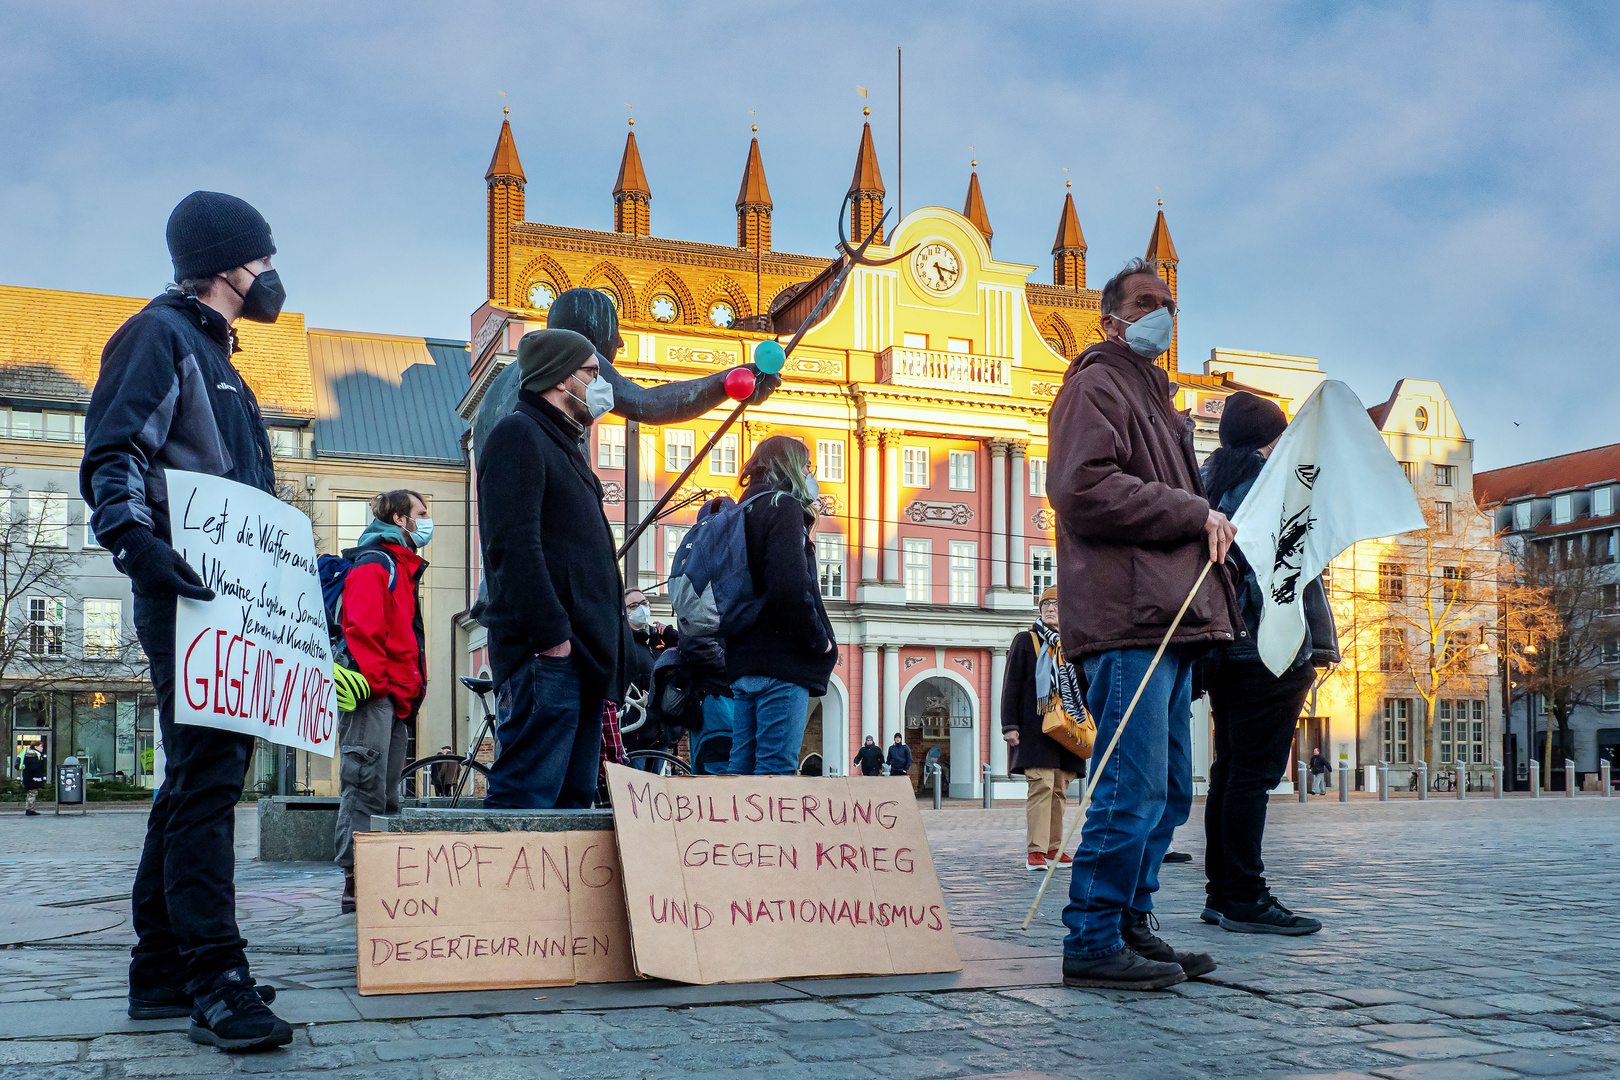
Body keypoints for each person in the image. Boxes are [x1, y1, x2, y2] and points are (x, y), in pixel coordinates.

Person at [81, 191, 290, 1047]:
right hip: (188, 593)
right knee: (206, 782)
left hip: (229, 597)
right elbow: (115, 446)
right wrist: (133, 540)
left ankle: (163, 969)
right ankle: (217, 975)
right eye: (265, 258)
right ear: (230, 264)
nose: (274, 274)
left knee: (192, 780)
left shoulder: (220, 360)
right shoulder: (160, 336)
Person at [1046, 258, 1240, 992]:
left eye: (1168, 302)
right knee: (1130, 787)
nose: (1161, 313)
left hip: (1168, 616)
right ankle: (1092, 937)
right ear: (1112, 320)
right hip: (1129, 620)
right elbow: (1082, 487)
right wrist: (1194, 511)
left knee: (1165, 792)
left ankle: (1130, 922)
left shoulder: (1156, 399)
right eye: (1145, 303)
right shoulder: (1097, 382)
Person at [1199, 393, 1334, 936]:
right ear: (1271, 440)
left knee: (1229, 773)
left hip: (1230, 650)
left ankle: (1221, 892)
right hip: (1268, 651)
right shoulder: (1272, 487)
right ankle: (1245, 896)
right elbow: (1279, 576)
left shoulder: (1218, 484)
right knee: (1252, 778)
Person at [478, 329, 623, 809]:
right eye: (593, 373)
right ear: (563, 377)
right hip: (549, 657)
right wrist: (551, 638)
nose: (601, 384)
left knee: (570, 804)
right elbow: (512, 546)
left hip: (575, 655)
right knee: (526, 799)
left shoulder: (560, 443)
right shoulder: (519, 434)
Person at [332, 490, 430, 914]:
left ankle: (375, 874)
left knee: (386, 789)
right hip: (374, 694)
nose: (427, 523)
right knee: (364, 785)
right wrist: (379, 685)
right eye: (421, 514)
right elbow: (363, 627)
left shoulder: (399, 566)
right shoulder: (377, 562)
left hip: (392, 695)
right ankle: (356, 882)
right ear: (400, 518)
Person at [723, 436, 836, 775]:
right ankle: (764, 832)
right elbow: (790, 585)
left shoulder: (742, 507)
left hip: (744, 658)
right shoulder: (782, 505)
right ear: (790, 467)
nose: (809, 474)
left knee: (741, 766)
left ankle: (732, 830)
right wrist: (819, 640)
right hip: (781, 661)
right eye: (806, 466)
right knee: (775, 770)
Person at [1001, 587, 1088, 871]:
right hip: (1035, 727)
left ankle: (1054, 849)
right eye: (1046, 604)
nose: (1050, 609)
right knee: (1042, 785)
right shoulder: (1026, 640)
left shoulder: (1074, 645)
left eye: (1056, 604)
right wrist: (1010, 726)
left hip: (1067, 727)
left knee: (1060, 788)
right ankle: (1036, 852)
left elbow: (1084, 688)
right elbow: (1011, 683)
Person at [21, 746, 46, 816]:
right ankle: (30, 809)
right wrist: (38, 777)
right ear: (36, 746)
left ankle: (29, 809)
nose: (42, 748)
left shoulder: (28, 756)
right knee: (32, 793)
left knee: (30, 793)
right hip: (32, 778)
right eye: (41, 746)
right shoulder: (33, 757)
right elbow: (34, 768)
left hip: (28, 778)